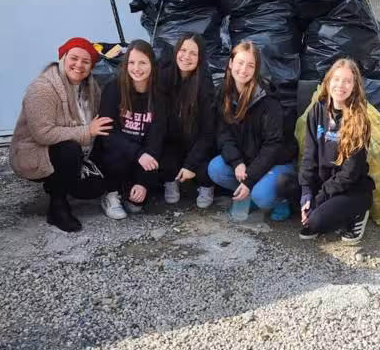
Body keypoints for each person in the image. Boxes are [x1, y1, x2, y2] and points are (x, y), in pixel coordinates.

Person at [9, 37, 112, 233]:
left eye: (86, 61)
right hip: (35, 152)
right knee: (69, 150)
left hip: (76, 150)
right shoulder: (43, 88)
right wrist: (87, 131)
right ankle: (57, 206)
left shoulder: (91, 87)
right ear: (63, 58)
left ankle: (67, 179)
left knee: (93, 188)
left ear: (91, 67)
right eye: (74, 58)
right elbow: (43, 134)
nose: (79, 65)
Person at [208, 41, 297, 220]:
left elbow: (272, 146)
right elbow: (224, 135)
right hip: (248, 159)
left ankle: (280, 200)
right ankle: (248, 192)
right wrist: (237, 162)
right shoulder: (224, 94)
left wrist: (250, 179)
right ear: (230, 63)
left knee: (262, 196)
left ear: (256, 69)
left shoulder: (267, 100)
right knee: (216, 168)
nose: (244, 69)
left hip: (277, 161)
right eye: (240, 62)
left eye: (250, 65)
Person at [298, 58, 374, 244]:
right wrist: (307, 193)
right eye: (337, 79)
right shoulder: (317, 111)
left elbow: (350, 173)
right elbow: (309, 155)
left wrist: (319, 198)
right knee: (284, 185)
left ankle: (357, 213)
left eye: (348, 81)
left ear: (354, 87)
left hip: (350, 188)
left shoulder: (359, 120)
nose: (341, 85)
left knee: (315, 222)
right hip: (323, 182)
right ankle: (320, 208)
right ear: (328, 81)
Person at [94, 40, 165, 219]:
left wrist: (143, 182)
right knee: (116, 157)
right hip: (115, 154)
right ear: (125, 65)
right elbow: (107, 133)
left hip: (142, 156)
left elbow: (156, 138)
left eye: (142, 63)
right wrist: (138, 154)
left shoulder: (159, 95)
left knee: (137, 205)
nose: (137, 68)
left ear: (152, 65)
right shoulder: (114, 89)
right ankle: (111, 193)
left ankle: (130, 189)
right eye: (132, 62)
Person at [158, 34, 216, 209]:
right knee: (165, 163)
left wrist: (190, 164)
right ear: (176, 51)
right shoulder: (164, 77)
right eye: (183, 50)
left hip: (197, 142)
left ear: (200, 58)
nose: (186, 57)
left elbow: (208, 134)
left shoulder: (205, 84)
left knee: (205, 171)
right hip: (173, 142)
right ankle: (170, 180)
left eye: (193, 53)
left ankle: (206, 186)